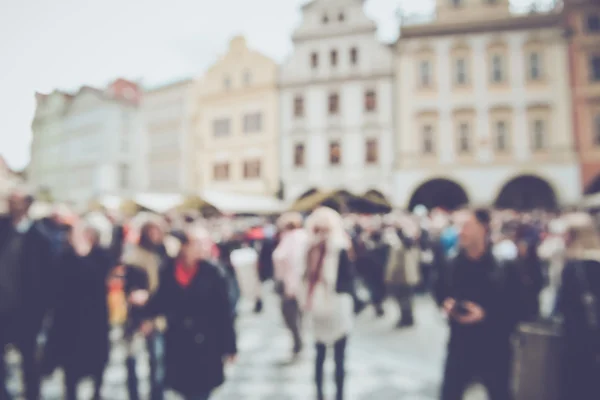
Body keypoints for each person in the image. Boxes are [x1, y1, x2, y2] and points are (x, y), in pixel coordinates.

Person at [131, 226, 237, 400]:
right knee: (184, 390)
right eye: (199, 243)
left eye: (205, 243)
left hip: (206, 342)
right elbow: (161, 301)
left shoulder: (213, 272)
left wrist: (230, 346)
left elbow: (224, 312)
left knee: (201, 391)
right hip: (179, 342)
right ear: (185, 246)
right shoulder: (169, 269)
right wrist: (144, 310)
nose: (205, 247)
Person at [434, 208, 519, 400]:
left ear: (484, 229)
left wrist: (485, 314)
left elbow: (520, 306)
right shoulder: (452, 264)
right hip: (460, 343)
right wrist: (446, 304)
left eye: (466, 226)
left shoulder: (504, 266)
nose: (460, 231)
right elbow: (439, 291)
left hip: (494, 346)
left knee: (499, 392)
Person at [43, 220, 112, 400]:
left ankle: (97, 393)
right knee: (71, 370)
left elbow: (96, 279)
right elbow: (57, 285)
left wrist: (82, 256)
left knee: (97, 367)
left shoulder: (101, 256)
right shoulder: (65, 257)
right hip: (70, 322)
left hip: (94, 321)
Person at [0, 187, 54, 400]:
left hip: (27, 312)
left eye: (16, 201)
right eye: (9, 200)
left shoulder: (40, 238)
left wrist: (42, 312)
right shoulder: (3, 229)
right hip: (2, 308)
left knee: (29, 361)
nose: (11, 204)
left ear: (27, 204)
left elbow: (46, 280)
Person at [303, 207, 356, 400]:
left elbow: (347, 279)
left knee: (339, 357)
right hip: (319, 307)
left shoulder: (339, 249)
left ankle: (338, 394)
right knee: (320, 355)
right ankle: (320, 394)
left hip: (337, 306)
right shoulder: (310, 250)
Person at [122, 218, 167, 400]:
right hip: (137, 317)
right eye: (150, 232)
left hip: (157, 316)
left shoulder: (163, 254)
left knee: (157, 362)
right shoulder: (134, 257)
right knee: (133, 359)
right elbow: (131, 289)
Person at [556, 213, 600, 400]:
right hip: (595, 337)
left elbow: (563, 305)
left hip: (578, 338)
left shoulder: (573, 267)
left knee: (577, 386)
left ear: (574, 235)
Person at [273, 212, 308, 359]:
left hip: (291, 284)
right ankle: (298, 339)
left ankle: (298, 341)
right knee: (295, 314)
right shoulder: (296, 237)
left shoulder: (293, 239)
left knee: (290, 314)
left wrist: (290, 286)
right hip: (293, 283)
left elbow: (294, 263)